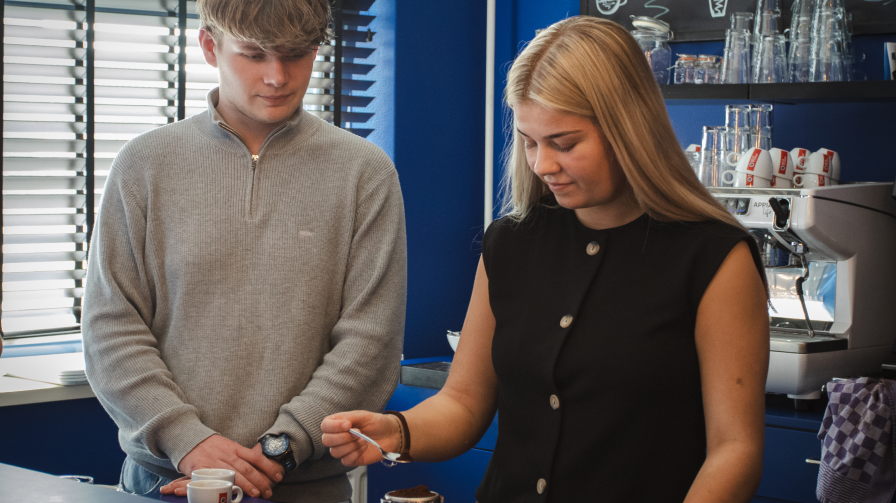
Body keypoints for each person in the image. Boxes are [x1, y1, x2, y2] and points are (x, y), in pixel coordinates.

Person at [321, 16, 769, 503]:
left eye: (565, 143)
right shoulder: (511, 243)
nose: (542, 165)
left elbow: (734, 451)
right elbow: (464, 401)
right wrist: (396, 431)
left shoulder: (714, 258)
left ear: (629, 129)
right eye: (530, 142)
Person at [82, 0, 406, 502]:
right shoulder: (144, 165)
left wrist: (276, 451)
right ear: (210, 46)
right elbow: (110, 327)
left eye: (295, 54)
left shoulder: (365, 173)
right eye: (254, 55)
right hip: (164, 483)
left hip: (303, 487)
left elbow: (371, 342)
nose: (277, 76)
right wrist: (190, 442)